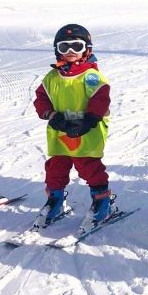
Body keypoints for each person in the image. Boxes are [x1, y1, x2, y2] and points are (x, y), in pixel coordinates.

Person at [32, 24, 114, 233]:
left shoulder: (91, 76)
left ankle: (102, 202)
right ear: (56, 49)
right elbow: (41, 99)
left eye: (76, 46)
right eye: (64, 46)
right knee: (55, 168)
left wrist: (89, 120)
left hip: (87, 132)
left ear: (87, 49)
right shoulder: (52, 78)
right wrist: (51, 115)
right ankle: (55, 200)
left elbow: (101, 97)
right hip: (60, 132)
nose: (70, 51)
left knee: (88, 167)